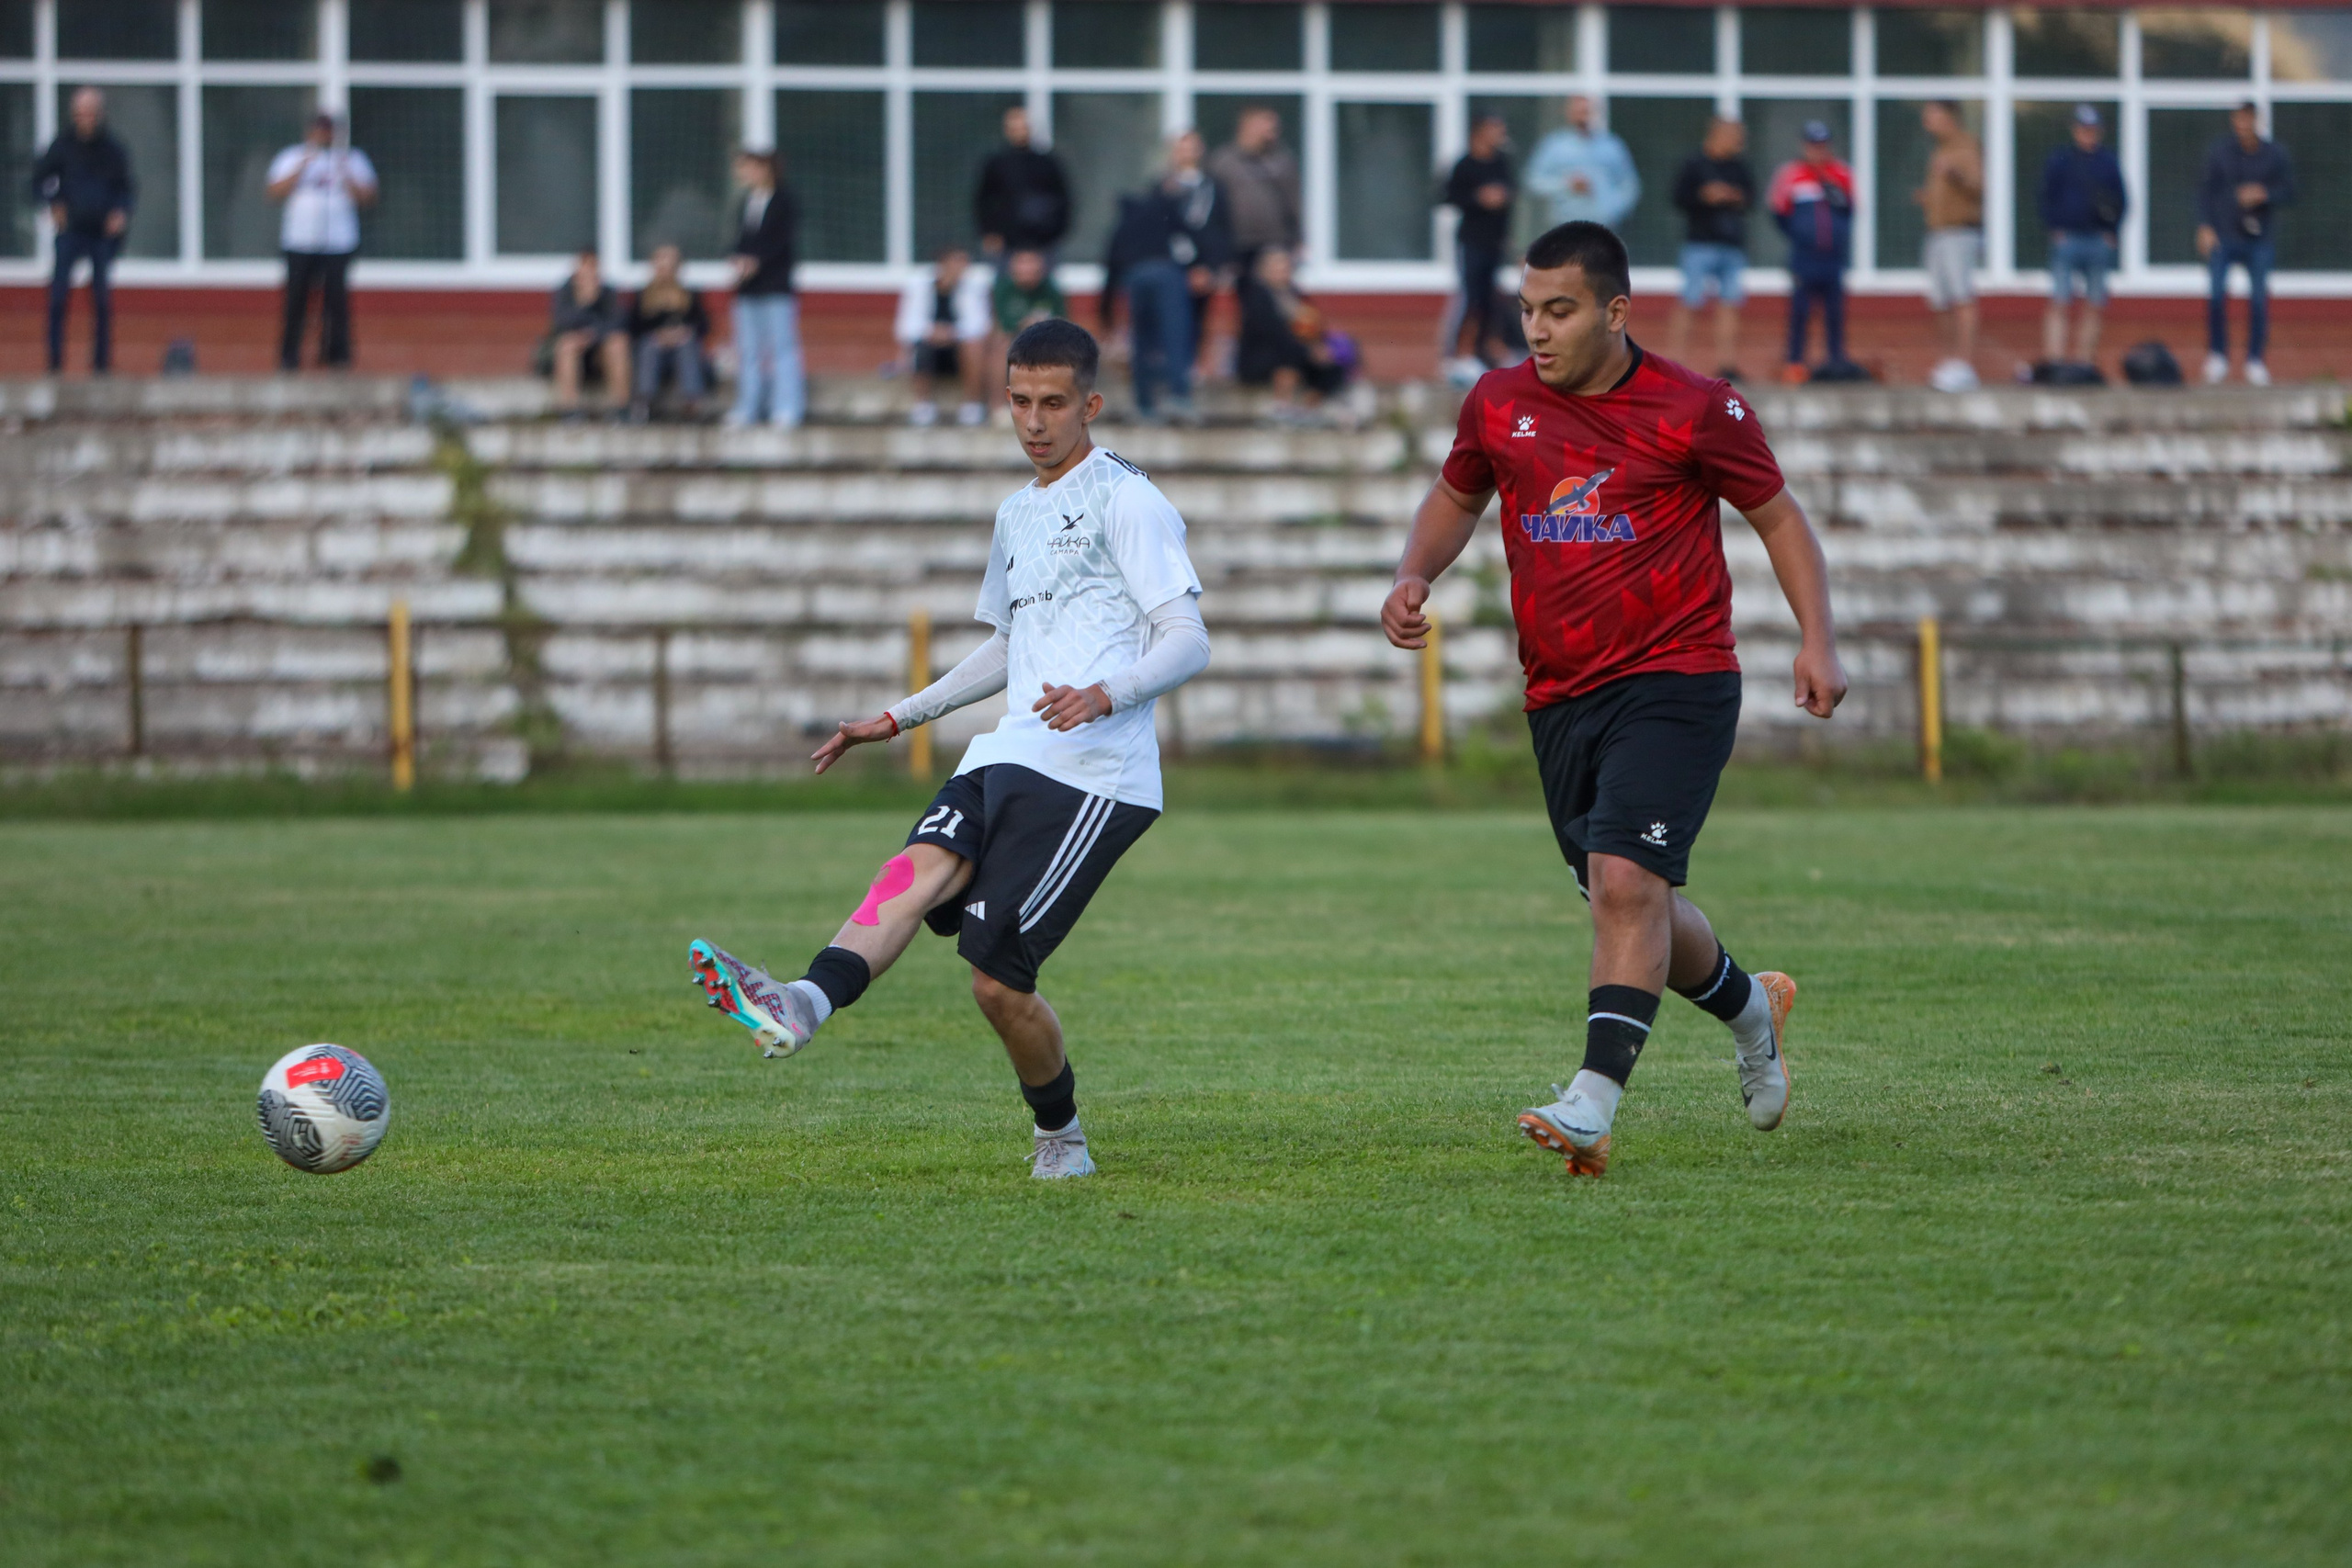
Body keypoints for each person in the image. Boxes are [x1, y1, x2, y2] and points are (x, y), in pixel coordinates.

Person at [687, 320, 1211, 1182]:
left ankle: (1062, 1137)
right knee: (914, 868)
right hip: (1008, 750)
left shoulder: (1129, 501)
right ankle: (801, 1002)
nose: (1033, 421)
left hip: (1093, 773)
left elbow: (1188, 638)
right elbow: (1010, 646)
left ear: (1091, 405)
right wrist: (897, 717)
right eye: (1018, 402)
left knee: (996, 984)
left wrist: (1106, 692)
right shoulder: (1017, 513)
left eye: (1052, 404)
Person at [1381, 220, 1847, 1179]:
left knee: (1626, 885)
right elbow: (1454, 496)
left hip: (1679, 676)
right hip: (1559, 696)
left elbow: (1779, 519)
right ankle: (1749, 1007)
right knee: (1620, 893)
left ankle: (1591, 1101)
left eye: (1560, 310)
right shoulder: (1497, 402)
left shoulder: (1696, 407)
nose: (1538, 330)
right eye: (1527, 309)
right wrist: (1411, 574)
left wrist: (1817, 638)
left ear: (1615, 311)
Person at [1101, 131, 1232, 423]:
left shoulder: (1130, 220)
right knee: (1176, 334)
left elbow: (1110, 267)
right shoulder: (1163, 202)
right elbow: (1190, 232)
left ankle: (1145, 403)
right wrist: (1207, 264)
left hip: (1138, 278)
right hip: (1170, 275)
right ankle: (1179, 396)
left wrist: (1106, 314)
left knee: (1144, 339)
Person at [266, 111, 378, 373]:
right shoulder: (292, 157)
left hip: (339, 242)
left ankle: (337, 356)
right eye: (319, 130)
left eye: (328, 131)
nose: (324, 136)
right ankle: (289, 357)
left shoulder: (352, 159)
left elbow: (368, 197)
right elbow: (274, 192)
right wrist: (303, 165)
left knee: (336, 301)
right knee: (296, 300)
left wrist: (344, 171)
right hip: (300, 240)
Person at [32, 86, 132, 376]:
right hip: (71, 231)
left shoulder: (114, 149)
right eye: (80, 113)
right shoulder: (62, 146)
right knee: (58, 295)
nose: (85, 119)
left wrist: (120, 212)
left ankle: (101, 365)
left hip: (102, 234)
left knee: (101, 298)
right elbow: (38, 180)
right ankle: (54, 364)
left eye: (90, 113)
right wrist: (53, 204)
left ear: (100, 115)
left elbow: (127, 189)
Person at [2197, 101, 2296, 387]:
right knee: (2216, 296)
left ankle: (2255, 360)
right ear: (2233, 121)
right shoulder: (2220, 152)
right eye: (2238, 120)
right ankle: (2218, 357)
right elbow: (2205, 191)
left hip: (2259, 238)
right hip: (2224, 235)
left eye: (2248, 120)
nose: (2243, 125)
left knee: (2258, 300)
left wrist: (2264, 193)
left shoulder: (2274, 153)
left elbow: (2291, 191)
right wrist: (2205, 226)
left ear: (2256, 121)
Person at [2038, 105, 2126, 369]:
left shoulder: (2107, 162)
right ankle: (2054, 362)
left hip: (2097, 240)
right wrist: (2055, 227)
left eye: (2092, 129)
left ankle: (2084, 363)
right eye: (2083, 129)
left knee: (2094, 304)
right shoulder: (2061, 160)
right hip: (2068, 240)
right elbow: (2045, 197)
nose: (2087, 134)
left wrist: (2113, 232)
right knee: (2060, 301)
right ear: (2075, 130)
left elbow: (2121, 200)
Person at [1768, 120, 1856, 381]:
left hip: (1833, 257)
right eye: (1812, 145)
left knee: (1835, 311)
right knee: (1800, 310)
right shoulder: (1790, 174)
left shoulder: (1842, 174)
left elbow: (1849, 211)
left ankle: (1836, 362)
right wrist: (1800, 236)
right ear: (1804, 146)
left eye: (1822, 145)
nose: (1817, 150)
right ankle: (1795, 363)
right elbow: (1778, 212)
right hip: (1804, 257)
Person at [1668, 116, 1752, 380]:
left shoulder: (1738, 167)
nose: (1738, 143)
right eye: (1733, 136)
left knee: (1729, 305)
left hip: (1731, 244)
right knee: (1690, 300)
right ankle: (1675, 362)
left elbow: (1751, 198)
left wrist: (1733, 196)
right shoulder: (1694, 164)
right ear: (1717, 135)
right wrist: (1704, 196)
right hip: (1699, 243)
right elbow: (1678, 198)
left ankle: (1727, 364)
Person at [729, 148, 802, 429]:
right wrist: (738, 259)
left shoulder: (785, 200)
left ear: (764, 169)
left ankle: (787, 407)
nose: (743, 174)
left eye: (747, 168)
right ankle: (748, 407)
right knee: (747, 349)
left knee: (782, 347)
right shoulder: (746, 201)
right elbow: (741, 239)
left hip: (775, 286)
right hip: (748, 288)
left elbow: (781, 242)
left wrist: (757, 261)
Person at [1441, 112, 1517, 386]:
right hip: (1470, 241)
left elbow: (1511, 193)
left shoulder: (1501, 163)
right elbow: (1447, 196)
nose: (1500, 134)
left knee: (1489, 299)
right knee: (1469, 297)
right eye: (1495, 128)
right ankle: (1457, 354)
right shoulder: (1465, 165)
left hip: (1494, 241)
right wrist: (1479, 198)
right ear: (1480, 132)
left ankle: (1485, 354)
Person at [1914, 101, 1984, 391]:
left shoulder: (1966, 148)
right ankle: (1949, 362)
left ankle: (1965, 365)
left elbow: (1979, 186)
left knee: (1962, 297)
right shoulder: (1939, 149)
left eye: (1932, 116)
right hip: (1938, 233)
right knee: (1940, 300)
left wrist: (1955, 173)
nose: (1927, 122)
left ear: (1949, 118)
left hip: (1960, 233)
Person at [1236, 246, 1350, 418]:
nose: (1281, 272)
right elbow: (1272, 332)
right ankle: (1282, 407)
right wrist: (1307, 351)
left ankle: (1310, 408)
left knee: (1331, 366)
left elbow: (1314, 325)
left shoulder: (1295, 294)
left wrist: (1318, 347)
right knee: (1289, 358)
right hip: (1263, 355)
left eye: (1284, 267)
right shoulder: (1257, 296)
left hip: (1298, 349)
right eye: (1275, 267)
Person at [895, 246, 993, 427]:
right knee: (919, 346)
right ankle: (922, 406)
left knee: (974, 346)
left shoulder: (974, 288)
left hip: (960, 353)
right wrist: (931, 332)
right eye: (956, 262)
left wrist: (951, 333)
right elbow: (905, 327)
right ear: (942, 264)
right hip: (929, 350)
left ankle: (972, 405)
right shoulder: (918, 286)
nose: (961, 267)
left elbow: (981, 326)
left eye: (964, 262)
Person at [1205, 104, 1303, 268]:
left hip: (1276, 243)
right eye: (1266, 126)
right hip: (1238, 243)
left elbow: (1294, 201)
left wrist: (1299, 239)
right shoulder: (1223, 161)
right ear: (1247, 126)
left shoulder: (1282, 160)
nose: (1272, 132)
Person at [1524, 96, 1638, 231]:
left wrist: (1612, 210)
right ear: (1569, 113)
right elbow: (1533, 181)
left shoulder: (1612, 146)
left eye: (1586, 111)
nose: (1583, 116)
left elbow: (1629, 186)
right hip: (1564, 225)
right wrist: (1566, 185)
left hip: (1603, 226)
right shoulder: (1554, 145)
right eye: (1578, 111)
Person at [974, 106, 1071, 260]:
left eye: (1022, 127)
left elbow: (1062, 199)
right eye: (1014, 128)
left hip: (1043, 241)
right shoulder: (996, 163)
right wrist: (989, 232)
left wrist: (1054, 233)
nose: (1019, 132)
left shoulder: (1047, 163)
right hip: (1006, 243)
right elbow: (984, 200)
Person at [627, 243, 710, 420]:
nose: (665, 272)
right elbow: (634, 327)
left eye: (669, 267)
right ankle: (644, 401)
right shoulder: (643, 296)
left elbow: (702, 326)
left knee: (687, 345)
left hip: (680, 349)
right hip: (654, 349)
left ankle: (692, 402)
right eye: (661, 267)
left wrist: (681, 332)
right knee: (649, 346)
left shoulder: (689, 295)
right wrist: (659, 333)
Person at [548, 249, 629, 416]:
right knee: (566, 346)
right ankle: (569, 408)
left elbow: (617, 322)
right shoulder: (565, 292)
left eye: (592, 268)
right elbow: (560, 323)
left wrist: (593, 335)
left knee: (618, 344)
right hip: (574, 350)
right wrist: (584, 303)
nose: (588, 273)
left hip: (600, 350)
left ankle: (621, 407)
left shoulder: (607, 292)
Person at [990, 247, 1068, 387]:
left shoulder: (1050, 289)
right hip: (1013, 338)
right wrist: (1026, 324)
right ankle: (998, 405)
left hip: (1047, 339)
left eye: (1032, 265)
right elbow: (1003, 324)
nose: (1028, 270)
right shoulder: (1003, 289)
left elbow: (1063, 322)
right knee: (1000, 347)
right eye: (1023, 264)